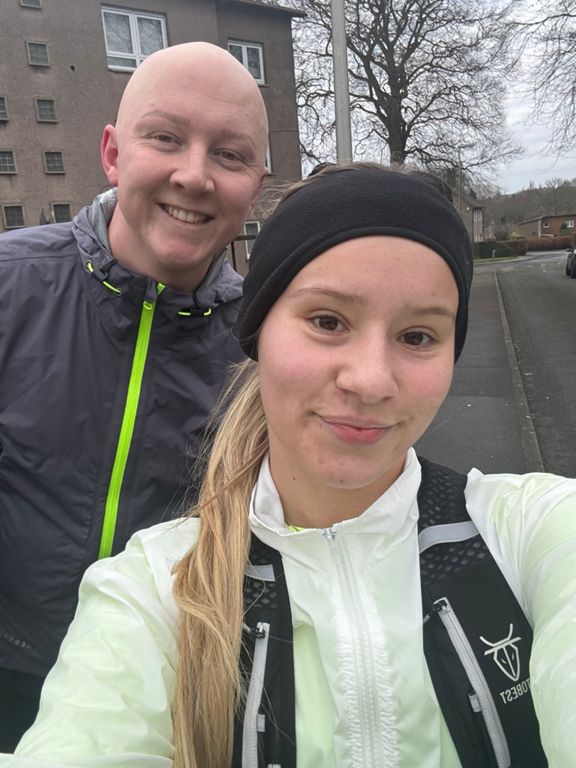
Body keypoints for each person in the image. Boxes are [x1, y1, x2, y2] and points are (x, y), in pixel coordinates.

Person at [3, 163, 576, 768]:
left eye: (417, 336)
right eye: (328, 321)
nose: (371, 380)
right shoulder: (154, 589)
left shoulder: (530, 532)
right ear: (258, 332)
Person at [0, 41, 268, 751]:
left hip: (165, 694)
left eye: (229, 154)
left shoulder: (264, 344)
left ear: (255, 186)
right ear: (114, 154)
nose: (194, 175)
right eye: (166, 138)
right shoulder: (10, 285)